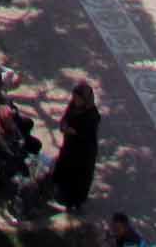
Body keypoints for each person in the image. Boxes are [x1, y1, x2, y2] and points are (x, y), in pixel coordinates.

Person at [51, 79, 101, 213]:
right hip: (70, 147)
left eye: (78, 98)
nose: (75, 100)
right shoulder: (73, 106)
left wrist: (72, 131)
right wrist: (64, 126)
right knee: (65, 171)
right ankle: (62, 196)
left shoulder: (92, 115)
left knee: (80, 178)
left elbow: (86, 133)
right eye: (74, 97)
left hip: (84, 151)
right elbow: (65, 118)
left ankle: (76, 203)